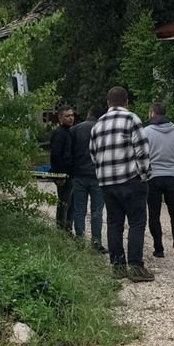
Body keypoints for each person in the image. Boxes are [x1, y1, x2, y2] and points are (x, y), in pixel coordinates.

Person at [89, 86, 153, 282]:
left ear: (108, 103)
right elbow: (142, 151)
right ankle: (136, 267)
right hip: (130, 180)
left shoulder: (97, 125)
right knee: (137, 222)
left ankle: (118, 267)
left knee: (114, 223)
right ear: (127, 102)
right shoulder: (132, 119)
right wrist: (144, 176)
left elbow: (93, 155)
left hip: (107, 183)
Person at [143, 102, 174, 258]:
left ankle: (159, 249)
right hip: (171, 177)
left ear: (152, 113)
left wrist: (148, 168)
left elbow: (141, 154)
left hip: (153, 177)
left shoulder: (146, 132)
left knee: (154, 214)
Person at [69, 106, 106, 252]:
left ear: (88, 114)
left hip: (79, 175)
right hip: (98, 176)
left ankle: (80, 242)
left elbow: (70, 151)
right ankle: (96, 243)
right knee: (97, 211)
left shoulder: (75, 129)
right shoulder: (103, 129)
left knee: (79, 210)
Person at [49, 105, 76, 231]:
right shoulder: (59, 133)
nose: (71, 118)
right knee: (64, 204)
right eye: (67, 116)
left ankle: (68, 229)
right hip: (63, 175)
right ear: (60, 118)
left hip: (71, 174)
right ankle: (61, 230)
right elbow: (55, 155)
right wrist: (60, 175)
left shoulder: (70, 132)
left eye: (72, 115)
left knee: (71, 204)